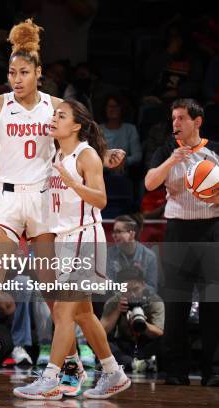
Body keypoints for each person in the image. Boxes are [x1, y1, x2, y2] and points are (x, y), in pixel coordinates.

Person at [0, 19, 125, 397]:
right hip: (6, 200)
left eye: (24, 72)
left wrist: (106, 157)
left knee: (52, 293)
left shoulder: (57, 108)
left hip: (45, 200)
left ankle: (69, 368)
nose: (17, 78)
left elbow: (84, 136)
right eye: (11, 72)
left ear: (39, 73)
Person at [12, 100, 130, 400]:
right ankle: (113, 372)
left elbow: (101, 200)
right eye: (54, 114)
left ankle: (50, 378)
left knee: (64, 311)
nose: (54, 118)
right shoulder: (55, 152)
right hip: (65, 241)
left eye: (61, 115)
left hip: (84, 239)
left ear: (76, 125)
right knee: (84, 315)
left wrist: (72, 183)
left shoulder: (86, 155)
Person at [144, 98, 219, 386]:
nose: (175, 123)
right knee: (176, 303)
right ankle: (175, 371)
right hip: (177, 229)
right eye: (173, 118)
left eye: (181, 118)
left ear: (197, 122)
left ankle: (213, 370)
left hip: (211, 229)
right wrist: (171, 160)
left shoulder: (215, 151)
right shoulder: (166, 150)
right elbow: (150, 183)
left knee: (213, 305)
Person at [101, 266, 164, 372]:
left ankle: (126, 364)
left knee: (167, 340)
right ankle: (137, 364)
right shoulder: (114, 301)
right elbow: (101, 331)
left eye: (135, 289)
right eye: (127, 290)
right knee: (98, 339)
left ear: (143, 285)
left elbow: (159, 332)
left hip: (146, 344)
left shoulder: (155, 300)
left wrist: (143, 324)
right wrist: (117, 310)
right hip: (123, 345)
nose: (132, 294)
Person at [107, 215, 158, 291]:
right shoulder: (109, 254)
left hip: (143, 299)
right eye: (113, 232)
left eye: (118, 232)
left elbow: (153, 287)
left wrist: (139, 286)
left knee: (158, 303)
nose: (114, 235)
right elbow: (109, 285)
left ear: (132, 234)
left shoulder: (149, 256)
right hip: (117, 298)